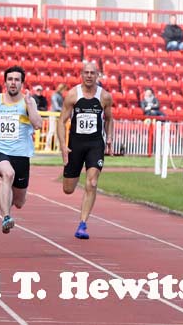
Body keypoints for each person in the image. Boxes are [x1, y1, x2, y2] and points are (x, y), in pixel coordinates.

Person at [0, 66, 42, 233]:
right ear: (5, 82)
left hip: (21, 154)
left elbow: (38, 124)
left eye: (17, 80)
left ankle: (7, 204)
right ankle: (6, 217)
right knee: (8, 174)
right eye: (10, 79)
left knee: (19, 201)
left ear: (22, 83)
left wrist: (30, 105)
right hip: (0, 149)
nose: (13, 83)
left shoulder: (28, 102)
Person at [57, 61, 113, 240]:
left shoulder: (104, 96)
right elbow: (61, 120)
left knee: (92, 183)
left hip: (95, 145)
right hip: (76, 145)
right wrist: (63, 145)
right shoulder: (73, 95)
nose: (89, 76)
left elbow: (109, 119)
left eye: (92, 73)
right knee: (68, 189)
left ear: (98, 75)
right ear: (81, 74)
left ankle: (82, 224)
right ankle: (75, 175)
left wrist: (109, 137)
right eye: (86, 72)